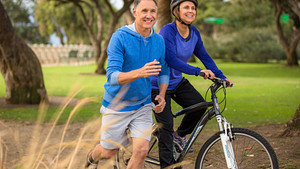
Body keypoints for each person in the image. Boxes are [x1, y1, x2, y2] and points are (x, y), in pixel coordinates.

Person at [85, 0, 169, 168]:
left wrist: (162, 94)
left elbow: (164, 69)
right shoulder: (120, 37)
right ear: (134, 12)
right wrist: (140, 72)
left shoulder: (158, 41)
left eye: (153, 11)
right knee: (109, 152)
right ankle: (93, 155)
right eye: (144, 10)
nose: (149, 15)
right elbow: (112, 77)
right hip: (116, 105)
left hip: (142, 104)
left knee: (142, 150)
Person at [151, 0, 234, 168]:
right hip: (157, 85)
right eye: (186, 7)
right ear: (176, 11)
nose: (190, 11)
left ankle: (179, 135)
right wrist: (198, 71)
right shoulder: (168, 31)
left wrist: (221, 77)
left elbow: (204, 57)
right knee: (165, 128)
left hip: (177, 81)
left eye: (193, 8)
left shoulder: (193, 32)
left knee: (200, 106)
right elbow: (171, 60)